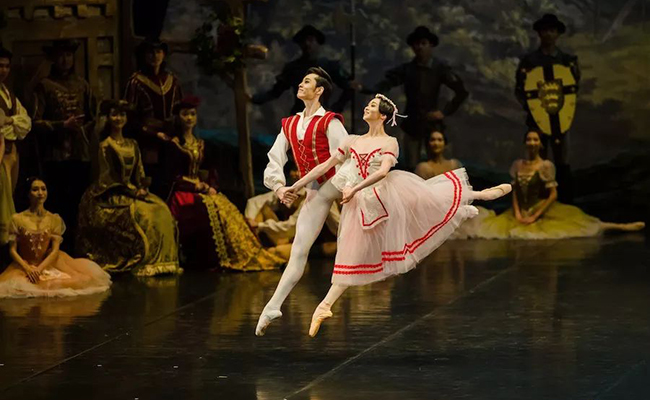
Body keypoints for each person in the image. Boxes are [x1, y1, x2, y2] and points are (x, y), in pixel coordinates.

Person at [282, 94, 510, 337]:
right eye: (368, 104)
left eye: (372, 106)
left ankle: (477, 196)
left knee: (427, 199)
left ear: (382, 115)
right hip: (361, 203)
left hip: (386, 191)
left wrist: (354, 189)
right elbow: (324, 166)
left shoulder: (389, 142)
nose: (366, 107)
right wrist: (295, 185)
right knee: (350, 254)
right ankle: (324, 306)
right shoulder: (352, 140)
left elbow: (382, 172)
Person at [255, 67, 348, 336]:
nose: (300, 84)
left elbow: (344, 156)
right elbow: (275, 158)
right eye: (301, 80)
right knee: (298, 250)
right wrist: (279, 187)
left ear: (318, 91)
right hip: (317, 190)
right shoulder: (290, 124)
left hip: (340, 184)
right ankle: (273, 306)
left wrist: (349, 189)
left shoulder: (330, 121)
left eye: (306, 82)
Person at [166, 96, 284, 271]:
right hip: (183, 192)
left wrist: (211, 186)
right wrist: (195, 186)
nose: (189, 118)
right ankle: (216, 257)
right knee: (205, 209)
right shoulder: (173, 145)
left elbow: (210, 170)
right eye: (185, 114)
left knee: (224, 205)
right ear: (178, 117)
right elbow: (172, 175)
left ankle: (242, 251)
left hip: (202, 189)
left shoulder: (200, 144)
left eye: (192, 114)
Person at [474, 131, 645, 239]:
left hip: (541, 209)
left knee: (582, 224)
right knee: (488, 229)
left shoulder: (545, 166)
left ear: (540, 144)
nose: (532, 142)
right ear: (525, 142)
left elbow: (553, 194)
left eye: (535, 139)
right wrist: (518, 213)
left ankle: (620, 227)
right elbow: (516, 192)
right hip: (520, 211)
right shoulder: (518, 165)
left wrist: (535, 215)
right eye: (529, 139)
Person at [76, 100, 181, 276]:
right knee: (145, 215)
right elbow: (107, 178)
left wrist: (142, 187)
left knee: (161, 209)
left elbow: (139, 172)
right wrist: (131, 192)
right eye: (114, 114)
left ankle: (165, 261)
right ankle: (147, 260)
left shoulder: (132, 144)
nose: (118, 118)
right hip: (112, 193)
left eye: (122, 115)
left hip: (133, 190)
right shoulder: (105, 145)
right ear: (108, 118)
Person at [365, 26, 468, 170]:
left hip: (433, 125)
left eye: (423, 43)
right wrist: (365, 88)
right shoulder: (407, 69)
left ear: (430, 45)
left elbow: (461, 92)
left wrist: (444, 112)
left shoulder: (440, 69)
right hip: (412, 124)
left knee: (438, 166)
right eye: (416, 44)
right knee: (412, 168)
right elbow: (387, 82)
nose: (420, 47)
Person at [0, 177, 111, 298]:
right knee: (17, 287)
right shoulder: (17, 219)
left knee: (81, 280)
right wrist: (28, 269)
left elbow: (55, 250)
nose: (40, 193)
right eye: (35, 189)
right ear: (28, 194)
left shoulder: (54, 219)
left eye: (43, 189)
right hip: (25, 266)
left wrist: (39, 269)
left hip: (48, 263)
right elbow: (12, 250)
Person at [32, 39, 97, 247]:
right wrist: (62, 125)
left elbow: (93, 117)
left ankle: (79, 248)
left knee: (79, 203)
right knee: (56, 204)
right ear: (53, 58)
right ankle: (56, 248)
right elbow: (35, 122)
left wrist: (82, 129)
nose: (65, 60)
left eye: (68, 55)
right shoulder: (45, 86)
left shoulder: (82, 84)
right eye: (61, 55)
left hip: (80, 154)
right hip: (55, 156)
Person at [515, 14, 579, 203]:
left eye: (552, 30)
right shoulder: (529, 62)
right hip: (537, 120)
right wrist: (535, 111)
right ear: (539, 33)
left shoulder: (567, 61)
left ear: (558, 33)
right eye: (545, 30)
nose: (548, 34)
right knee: (537, 161)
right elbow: (521, 90)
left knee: (562, 162)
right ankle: (536, 202)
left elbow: (572, 89)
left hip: (561, 119)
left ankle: (565, 203)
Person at [245, 159, 340, 261]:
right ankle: (251, 246)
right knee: (264, 209)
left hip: (314, 243)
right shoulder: (291, 191)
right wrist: (250, 222)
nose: (295, 174)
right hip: (291, 237)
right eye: (294, 170)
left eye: (299, 170)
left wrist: (260, 225)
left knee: (277, 251)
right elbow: (255, 202)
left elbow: (292, 225)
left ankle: (259, 252)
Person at [124, 37, 183, 197]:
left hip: (170, 138)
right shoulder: (136, 82)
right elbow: (129, 118)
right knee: (151, 182)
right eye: (150, 52)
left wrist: (176, 133)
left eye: (158, 52)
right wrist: (153, 133)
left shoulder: (173, 81)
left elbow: (180, 110)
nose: (155, 56)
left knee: (171, 182)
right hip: (146, 140)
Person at [251, 25, 354, 114]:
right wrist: (252, 98)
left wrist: (335, 108)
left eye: (311, 40)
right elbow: (275, 92)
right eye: (303, 41)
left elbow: (349, 87)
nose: (307, 44)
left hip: (321, 117)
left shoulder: (329, 66)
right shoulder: (293, 68)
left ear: (317, 42)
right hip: (300, 117)